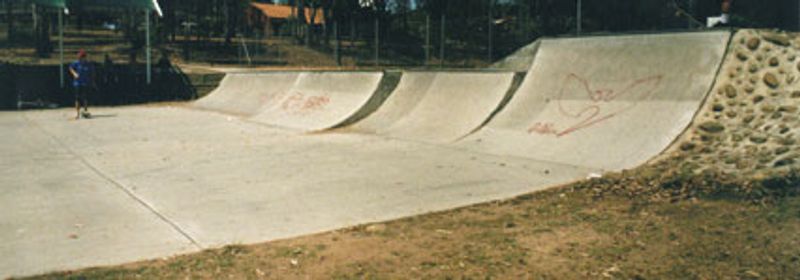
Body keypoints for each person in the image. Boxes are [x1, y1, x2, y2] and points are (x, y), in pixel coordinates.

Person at [68, 50, 95, 119]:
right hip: (77, 83)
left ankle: (85, 111)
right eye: (79, 57)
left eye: (82, 57)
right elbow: (70, 68)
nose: (80, 59)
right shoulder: (76, 63)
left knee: (85, 98)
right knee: (77, 98)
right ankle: (77, 113)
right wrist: (74, 73)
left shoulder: (88, 64)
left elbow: (91, 73)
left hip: (85, 83)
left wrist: (92, 81)